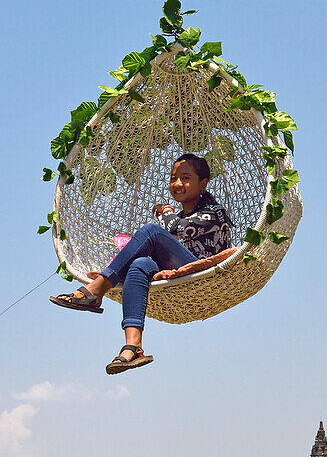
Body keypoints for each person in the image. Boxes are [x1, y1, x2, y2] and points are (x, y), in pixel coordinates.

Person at [50, 154, 233, 373]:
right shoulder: (178, 217)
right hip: (179, 273)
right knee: (140, 264)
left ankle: (96, 290)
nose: (177, 184)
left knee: (150, 231)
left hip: (204, 277)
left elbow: (178, 228)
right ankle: (133, 347)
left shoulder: (215, 212)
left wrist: (165, 212)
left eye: (185, 178)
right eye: (173, 178)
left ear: (202, 184)